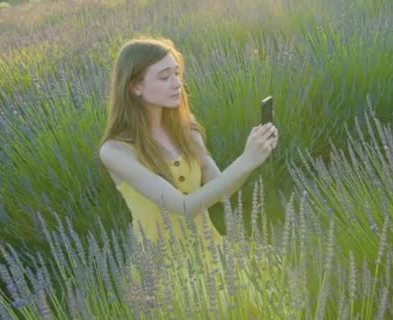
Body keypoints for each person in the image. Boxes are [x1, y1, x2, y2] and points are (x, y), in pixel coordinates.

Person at [97, 36, 278, 318]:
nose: (177, 83)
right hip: (163, 269)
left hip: (210, 251)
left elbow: (222, 190)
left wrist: (254, 157)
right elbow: (183, 207)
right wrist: (245, 160)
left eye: (177, 73)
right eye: (164, 76)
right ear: (136, 87)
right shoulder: (116, 151)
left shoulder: (186, 130)